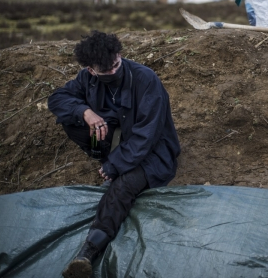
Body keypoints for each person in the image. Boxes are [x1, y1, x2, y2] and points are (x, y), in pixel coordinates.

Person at [48, 31, 181, 278]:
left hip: (153, 151)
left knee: (121, 187)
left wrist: (115, 165)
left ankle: (87, 253)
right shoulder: (86, 79)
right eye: (104, 71)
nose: (113, 73)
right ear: (91, 70)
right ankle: (106, 156)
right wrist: (84, 111)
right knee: (71, 120)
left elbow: (147, 136)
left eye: (116, 66)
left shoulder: (145, 79)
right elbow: (57, 99)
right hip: (119, 140)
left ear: (120, 55)